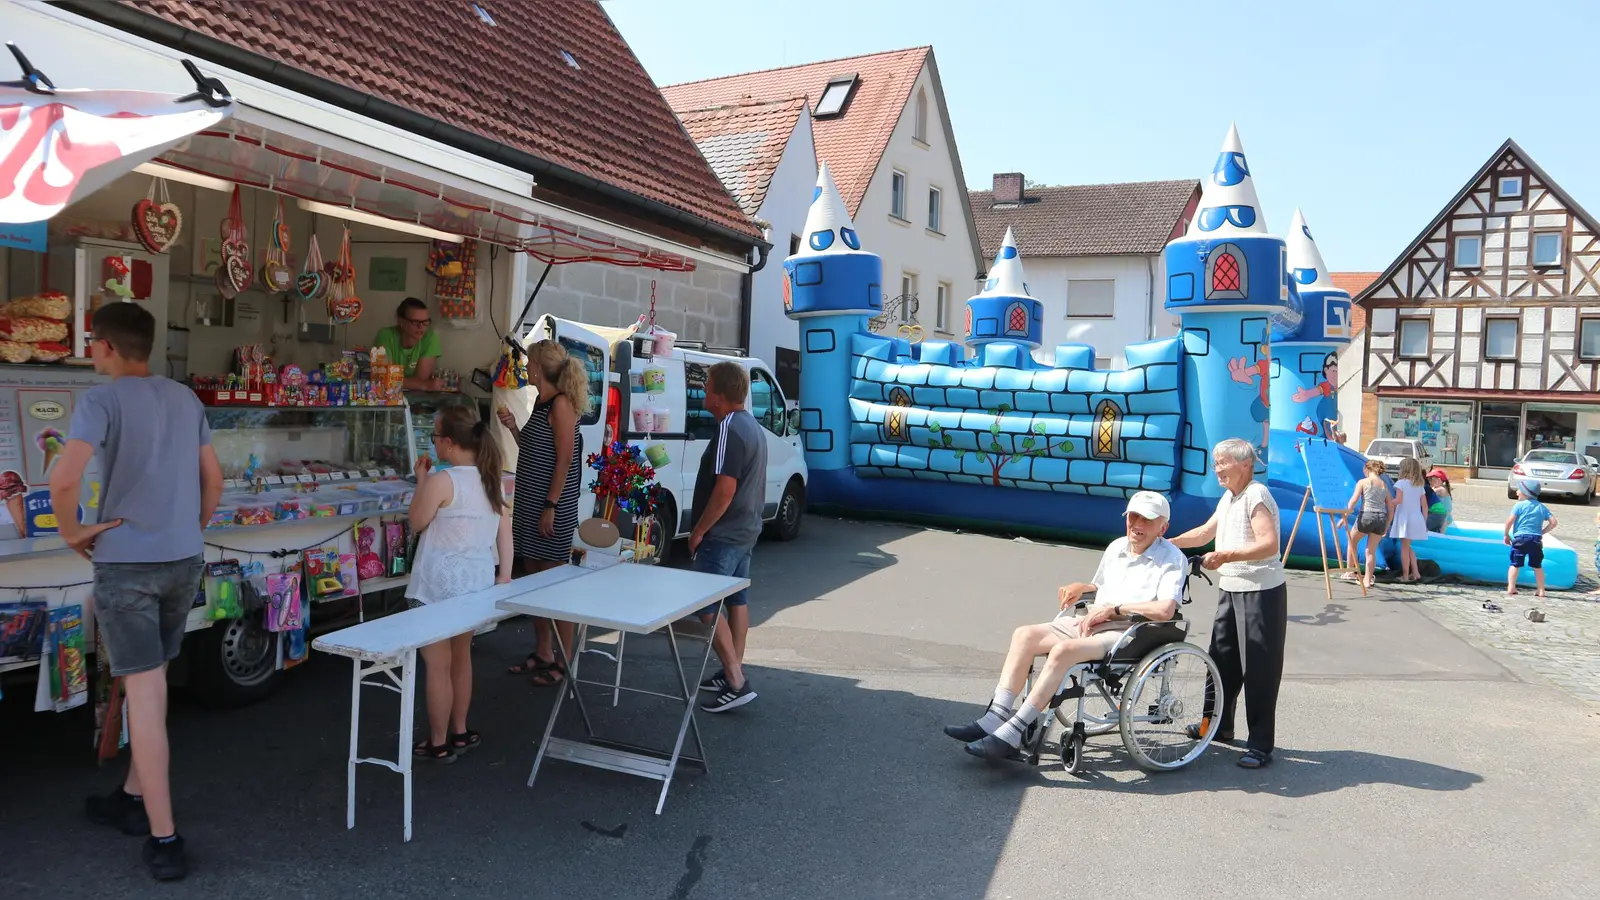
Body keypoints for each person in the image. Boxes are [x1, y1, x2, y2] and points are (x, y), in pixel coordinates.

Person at [49, 303, 223, 881]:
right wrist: (191, 527)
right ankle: (129, 797)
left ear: (103, 346)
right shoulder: (184, 398)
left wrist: (71, 530)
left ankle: (165, 837)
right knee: (148, 680)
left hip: (127, 565)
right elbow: (213, 479)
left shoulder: (100, 401)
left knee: (146, 697)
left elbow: (65, 476)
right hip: (183, 560)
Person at [946, 492, 1186, 761]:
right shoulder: (1116, 547)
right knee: (1024, 635)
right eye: (1133, 516)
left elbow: (1165, 609)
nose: (1137, 523)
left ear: (1163, 527)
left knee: (1063, 651)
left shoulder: (1172, 558)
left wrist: (1116, 609)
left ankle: (1012, 734)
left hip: (1126, 632)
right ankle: (995, 718)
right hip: (1092, 620)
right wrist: (1082, 587)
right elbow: (1101, 587)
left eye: (1147, 519)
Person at [405, 406, 513, 763]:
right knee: (461, 658)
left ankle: (437, 741)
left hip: (436, 584)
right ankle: (461, 731)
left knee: (437, 666)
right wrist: (504, 577)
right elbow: (504, 535)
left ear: (449, 443)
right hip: (475, 583)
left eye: (435, 438)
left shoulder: (441, 481)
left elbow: (417, 522)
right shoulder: (490, 479)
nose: (433, 444)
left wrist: (422, 480)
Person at [1171, 438, 1287, 769]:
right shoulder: (1230, 496)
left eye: (1223, 462)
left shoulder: (1256, 495)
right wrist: (1165, 543)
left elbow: (1269, 544)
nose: (1217, 468)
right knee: (1221, 660)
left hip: (1261, 590)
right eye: (1216, 462)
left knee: (1260, 669)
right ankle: (1217, 727)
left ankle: (1261, 745)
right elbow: (1205, 532)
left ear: (1245, 464)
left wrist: (1226, 556)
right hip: (1232, 587)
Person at [497, 340, 587, 686]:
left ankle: (564, 659)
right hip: (532, 501)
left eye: (529, 363)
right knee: (535, 580)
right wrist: (514, 429)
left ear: (537, 367)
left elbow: (564, 460)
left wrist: (550, 505)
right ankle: (544, 651)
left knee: (555, 582)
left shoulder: (562, 405)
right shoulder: (541, 402)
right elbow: (537, 451)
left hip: (551, 506)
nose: (526, 368)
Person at [690, 362, 768, 713]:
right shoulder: (752, 426)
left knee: (706, 606)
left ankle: (736, 680)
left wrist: (700, 529)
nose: (704, 393)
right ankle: (732, 667)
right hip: (746, 529)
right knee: (737, 600)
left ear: (719, 396)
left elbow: (725, 489)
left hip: (724, 533)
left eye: (707, 388)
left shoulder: (728, 429)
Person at [373, 297, 443, 391]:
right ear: (400, 321)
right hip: (389, 397)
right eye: (415, 322)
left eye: (425, 322)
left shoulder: (430, 337)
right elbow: (385, 378)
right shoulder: (385, 336)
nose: (421, 327)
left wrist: (402, 381)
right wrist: (424, 385)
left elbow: (422, 379)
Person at [1341, 459, 1391, 589]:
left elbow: (1353, 501)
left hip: (1367, 515)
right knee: (1371, 551)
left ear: (1367, 470)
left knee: (1352, 540)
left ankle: (1350, 571)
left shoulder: (1363, 482)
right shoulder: (1384, 485)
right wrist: (1386, 525)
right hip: (1381, 518)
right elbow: (1391, 508)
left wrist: (1344, 517)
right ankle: (1367, 580)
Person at [1505, 479, 1557, 599]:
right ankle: (1541, 590)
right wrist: (1542, 532)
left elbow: (1509, 521)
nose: (1517, 492)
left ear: (1525, 493)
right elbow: (1553, 522)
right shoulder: (1541, 507)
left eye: (1519, 490)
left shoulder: (1518, 506)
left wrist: (1506, 534)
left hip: (1520, 538)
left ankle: (1511, 587)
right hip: (1535, 539)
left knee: (1515, 564)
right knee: (1537, 565)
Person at [1388, 457, 1429, 582]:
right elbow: (1425, 506)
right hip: (1416, 517)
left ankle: (1405, 575)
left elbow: (1399, 500)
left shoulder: (1401, 483)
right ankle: (1415, 572)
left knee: (1404, 548)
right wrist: (1424, 521)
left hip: (1405, 518)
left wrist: (1387, 502)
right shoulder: (1419, 486)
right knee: (1407, 546)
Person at [1426, 468, 1455, 534]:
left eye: (1432, 480)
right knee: (1438, 532)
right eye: (1429, 480)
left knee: (1441, 534)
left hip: (1445, 518)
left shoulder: (1441, 489)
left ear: (1439, 480)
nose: (1430, 482)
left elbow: (1427, 494)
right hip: (1445, 515)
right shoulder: (1443, 487)